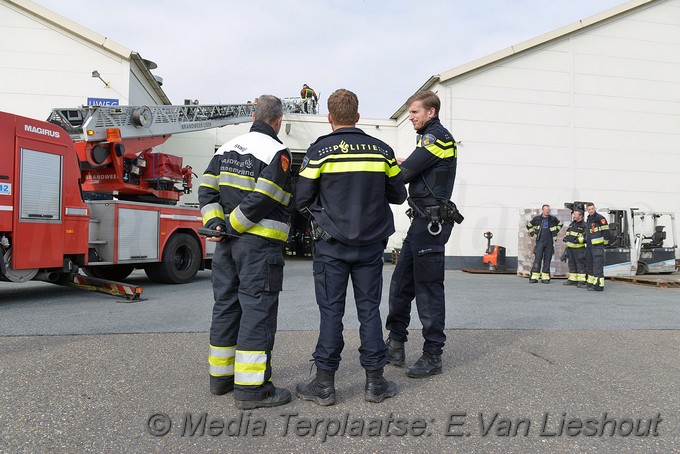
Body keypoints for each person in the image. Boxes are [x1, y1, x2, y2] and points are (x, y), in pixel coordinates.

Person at [295, 89, 407, 405]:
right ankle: (375, 383)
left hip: (331, 246)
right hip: (371, 246)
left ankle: (325, 385)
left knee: (331, 311)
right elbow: (399, 195)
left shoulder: (319, 152)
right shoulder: (382, 151)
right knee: (369, 309)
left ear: (330, 118)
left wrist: (323, 222)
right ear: (357, 116)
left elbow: (301, 200)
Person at [198, 95, 293, 409]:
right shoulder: (277, 151)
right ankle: (253, 390)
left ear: (254, 115)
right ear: (277, 120)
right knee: (257, 312)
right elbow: (267, 196)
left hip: (225, 246)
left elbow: (206, 189)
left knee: (225, 306)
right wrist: (234, 226)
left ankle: (221, 379)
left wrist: (217, 225)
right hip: (258, 247)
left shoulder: (226, 148)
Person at [385, 90, 458, 379]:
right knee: (401, 284)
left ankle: (433, 354)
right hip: (421, 223)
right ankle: (395, 343)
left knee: (428, 289)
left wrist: (387, 163)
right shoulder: (428, 139)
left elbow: (403, 176)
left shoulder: (437, 137)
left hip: (431, 223)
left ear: (431, 112)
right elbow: (417, 169)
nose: (411, 117)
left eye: (415, 112)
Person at [526, 204, 563, 283]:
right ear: (542, 210)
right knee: (538, 259)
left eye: (548, 210)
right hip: (540, 241)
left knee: (547, 260)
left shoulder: (553, 219)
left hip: (549, 242)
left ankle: (545, 277)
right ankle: (534, 277)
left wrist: (555, 231)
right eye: (546, 210)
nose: (547, 211)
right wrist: (533, 234)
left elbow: (560, 224)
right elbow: (528, 226)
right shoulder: (537, 219)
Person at [585, 202, 610, 291]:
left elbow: (606, 232)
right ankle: (591, 282)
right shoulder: (589, 219)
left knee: (597, 266)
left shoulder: (600, 218)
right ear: (587, 210)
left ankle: (599, 285)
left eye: (592, 209)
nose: (591, 210)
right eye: (589, 209)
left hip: (597, 246)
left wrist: (605, 243)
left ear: (594, 208)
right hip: (590, 246)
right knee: (590, 265)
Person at [562, 209, 587, 288]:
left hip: (579, 249)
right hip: (570, 248)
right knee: (571, 264)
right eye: (574, 214)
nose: (574, 216)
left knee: (580, 265)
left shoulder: (584, 225)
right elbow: (569, 233)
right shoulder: (572, 224)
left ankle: (582, 281)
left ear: (581, 216)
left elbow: (586, 237)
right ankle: (573, 279)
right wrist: (566, 238)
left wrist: (576, 240)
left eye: (576, 215)